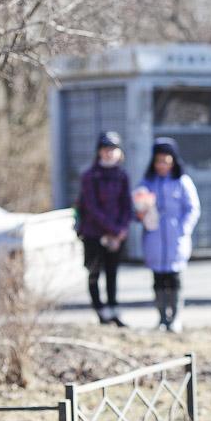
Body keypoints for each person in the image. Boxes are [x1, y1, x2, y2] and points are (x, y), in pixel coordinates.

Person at [136, 138, 201, 334]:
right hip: (154, 237)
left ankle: (176, 317)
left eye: (166, 160)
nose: (162, 165)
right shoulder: (146, 183)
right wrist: (142, 212)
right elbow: (137, 209)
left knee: (174, 278)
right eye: (159, 161)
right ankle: (162, 317)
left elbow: (193, 208)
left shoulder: (182, 182)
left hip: (175, 238)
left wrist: (183, 229)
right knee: (158, 279)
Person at [76, 131, 132, 327]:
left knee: (112, 273)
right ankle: (100, 311)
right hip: (93, 233)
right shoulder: (90, 176)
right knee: (94, 273)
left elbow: (127, 205)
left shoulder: (122, 176)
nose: (109, 153)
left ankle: (114, 310)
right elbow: (91, 207)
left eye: (112, 149)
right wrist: (112, 229)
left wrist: (122, 229)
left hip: (116, 235)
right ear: (99, 152)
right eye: (105, 149)